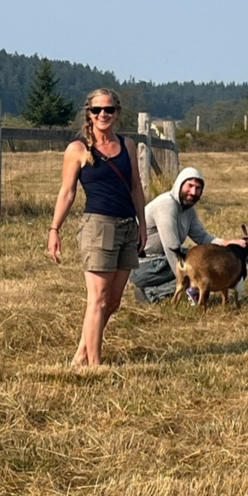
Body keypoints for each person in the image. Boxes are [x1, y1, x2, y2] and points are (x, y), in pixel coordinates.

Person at [47, 88, 146, 367]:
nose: (103, 114)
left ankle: (81, 354)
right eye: (97, 110)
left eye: (109, 110)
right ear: (88, 113)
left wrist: (142, 224)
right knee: (98, 300)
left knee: (112, 302)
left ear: (117, 113)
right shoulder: (78, 149)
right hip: (98, 227)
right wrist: (54, 229)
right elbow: (67, 193)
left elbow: (136, 187)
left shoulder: (127, 145)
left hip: (128, 226)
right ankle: (95, 365)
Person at [129, 166, 246, 304]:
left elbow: (201, 237)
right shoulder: (166, 205)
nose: (193, 192)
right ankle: (150, 294)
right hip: (142, 265)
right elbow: (171, 248)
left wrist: (226, 243)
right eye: (189, 186)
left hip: (161, 260)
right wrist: (190, 280)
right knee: (198, 271)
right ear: (179, 184)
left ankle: (184, 287)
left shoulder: (188, 210)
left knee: (204, 262)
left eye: (198, 188)